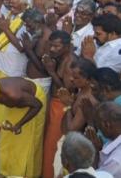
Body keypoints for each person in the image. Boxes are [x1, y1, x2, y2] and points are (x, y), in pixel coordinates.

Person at [42, 30, 76, 178]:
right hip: (54, 103)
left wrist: (51, 71)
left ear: (67, 46)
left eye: (56, 46)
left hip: (62, 107)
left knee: (52, 146)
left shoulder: (70, 62)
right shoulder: (60, 57)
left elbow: (66, 90)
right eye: (51, 46)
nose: (52, 49)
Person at [0, 0, 29, 78]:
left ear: (25, 5)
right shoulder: (11, 15)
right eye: (11, 2)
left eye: (15, 3)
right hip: (1, 62)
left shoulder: (27, 20)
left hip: (13, 66)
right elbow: (3, 36)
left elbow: (21, 47)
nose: (11, 5)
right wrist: (0, 26)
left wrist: (5, 28)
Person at [89, 102, 121, 176]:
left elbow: (93, 176)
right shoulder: (113, 140)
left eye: (98, 126)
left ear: (107, 125)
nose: (99, 130)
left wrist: (94, 151)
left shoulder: (115, 161)